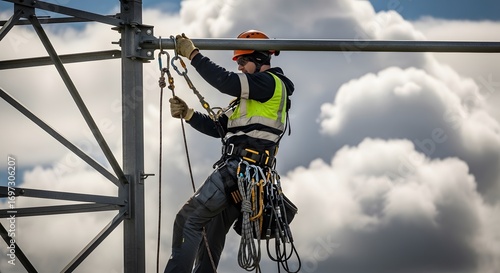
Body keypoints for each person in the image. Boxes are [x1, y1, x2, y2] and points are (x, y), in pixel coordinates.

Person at [164, 30, 295, 273]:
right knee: (208, 230)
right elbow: (218, 128)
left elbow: (225, 81)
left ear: (259, 59)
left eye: (243, 62)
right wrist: (188, 114)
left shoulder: (269, 84)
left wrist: (193, 55)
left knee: (187, 221)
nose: (241, 68)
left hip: (240, 172)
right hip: (245, 180)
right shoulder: (251, 98)